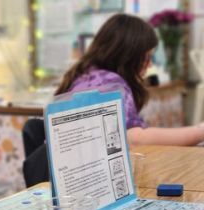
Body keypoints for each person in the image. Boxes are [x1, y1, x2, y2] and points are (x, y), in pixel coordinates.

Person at [56, 13, 204, 146]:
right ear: (129, 56)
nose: (149, 64)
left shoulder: (88, 75)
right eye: (146, 57)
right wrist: (199, 131)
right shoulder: (109, 83)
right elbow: (134, 137)